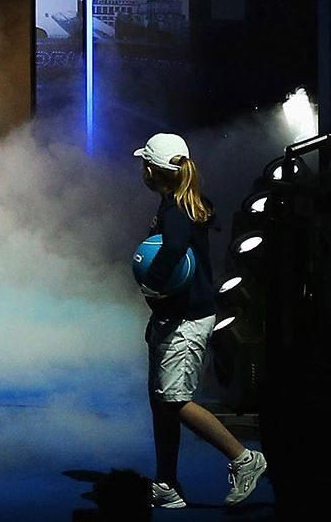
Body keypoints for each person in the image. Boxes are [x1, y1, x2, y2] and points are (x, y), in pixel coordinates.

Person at [133, 133, 267, 510]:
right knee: (162, 401)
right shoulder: (184, 203)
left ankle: (244, 459)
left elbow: (173, 250)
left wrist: (154, 285)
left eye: (143, 163)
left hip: (185, 320)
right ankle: (166, 484)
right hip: (177, 316)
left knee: (174, 401)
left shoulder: (175, 210)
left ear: (151, 170)